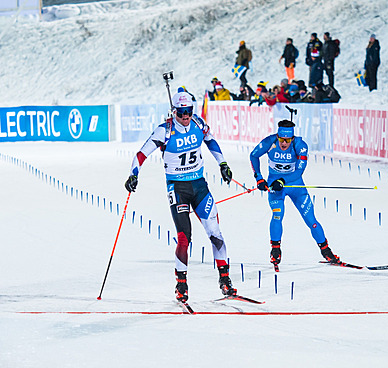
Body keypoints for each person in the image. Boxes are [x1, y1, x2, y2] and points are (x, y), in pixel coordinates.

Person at [124, 91, 237, 303]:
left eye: (189, 111)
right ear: (174, 111)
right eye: (182, 112)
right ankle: (181, 284)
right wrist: (133, 174)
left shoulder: (198, 123)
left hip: (200, 186)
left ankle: (225, 279)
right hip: (178, 189)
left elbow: (211, 142)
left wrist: (223, 164)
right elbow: (141, 154)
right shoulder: (164, 131)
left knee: (215, 233)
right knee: (184, 237)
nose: (186, 116)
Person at [249, 119, 342, 271]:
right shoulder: (270, 141)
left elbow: (299, 171)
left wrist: (282, 179)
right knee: (277, 216)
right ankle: (275, 251)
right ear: (277, 136)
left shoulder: (300, 146)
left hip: (295, 186)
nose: (283, 143)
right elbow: (253, 156)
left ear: (292, 138)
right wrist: (258, 177)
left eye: (287, 140)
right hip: (276, 187)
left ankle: (326, 251)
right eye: (281, 139)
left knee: (311, 220)